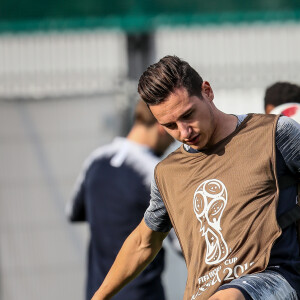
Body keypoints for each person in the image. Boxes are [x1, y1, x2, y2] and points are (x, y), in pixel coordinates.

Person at [91, 56, 300, 300]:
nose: (184, 131)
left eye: (188, 114)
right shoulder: (167, 174)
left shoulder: (274, 133)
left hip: (275, 279)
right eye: (170, 125)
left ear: (207, 91)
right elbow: (143, 243)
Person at [67, 99, 174, 300]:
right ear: (161, 127)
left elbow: (73, 212)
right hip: (143, 293)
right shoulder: (156, 171)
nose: (174, 139)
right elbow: (183, 241)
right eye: (173, 127)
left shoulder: (96, 159)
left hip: (98, 292)